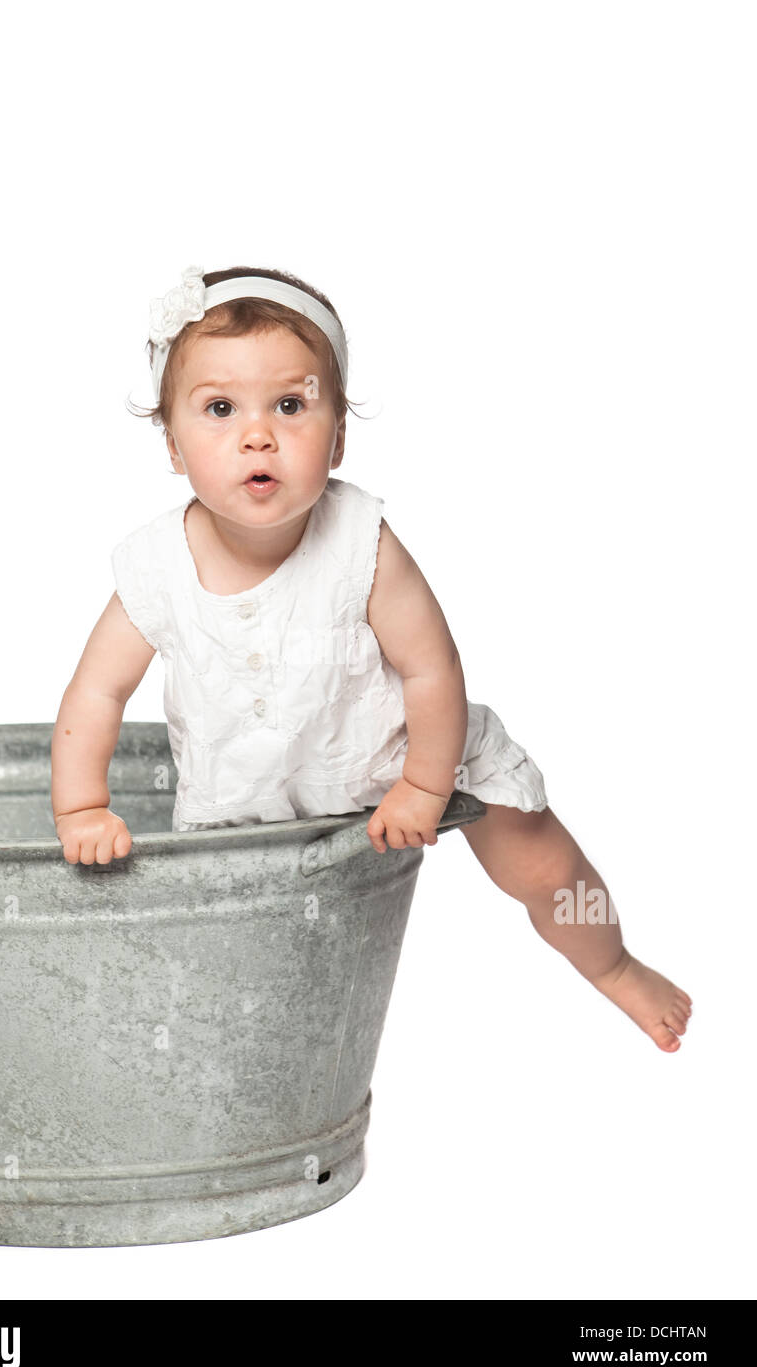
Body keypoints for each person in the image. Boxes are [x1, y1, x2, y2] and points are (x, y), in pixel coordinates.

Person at [51, 264, 692, 1053]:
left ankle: (615, 964)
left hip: (406, 755)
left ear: (340, 436)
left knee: (546, 868)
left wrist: (425, 786)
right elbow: (96, 695)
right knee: (243, 970)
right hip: (253, 796)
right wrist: (82, 809)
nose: (258, 435)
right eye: (220, 409)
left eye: (291, 405)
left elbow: (432, 668)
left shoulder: (362, 541)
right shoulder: (155, 568)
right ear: (174, 447)